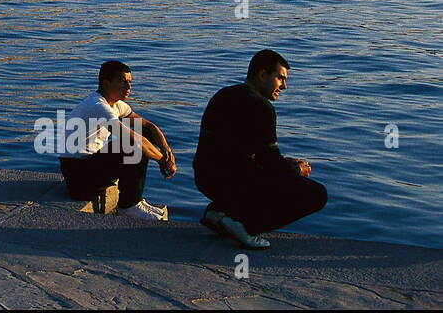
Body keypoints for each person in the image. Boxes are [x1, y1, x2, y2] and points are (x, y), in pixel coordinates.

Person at [193, 49, 326, 249]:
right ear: (262, 75)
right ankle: (246, 226)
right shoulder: (262, 108)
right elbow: (273, 168)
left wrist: (285, 162)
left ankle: (220, 211)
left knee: (267, 174)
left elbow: (241, 149)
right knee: (317, 194)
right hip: (233, 182)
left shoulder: (223, 94)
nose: (284, 86)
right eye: (280, 78)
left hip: (205, 179)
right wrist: (297, 170)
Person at [56, 60, 176, 220]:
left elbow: (148, 126)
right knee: (131, 144)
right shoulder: (98, 106)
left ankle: (136, 200)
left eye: (130, 82)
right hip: (78, 178)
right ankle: (128, 206)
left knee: (142, 136)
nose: (128, 87)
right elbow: (133, 140)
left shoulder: (117, 105)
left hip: (89, 167)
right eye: (122, 82)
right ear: (106, 83)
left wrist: (166, 149)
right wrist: (163, 161)